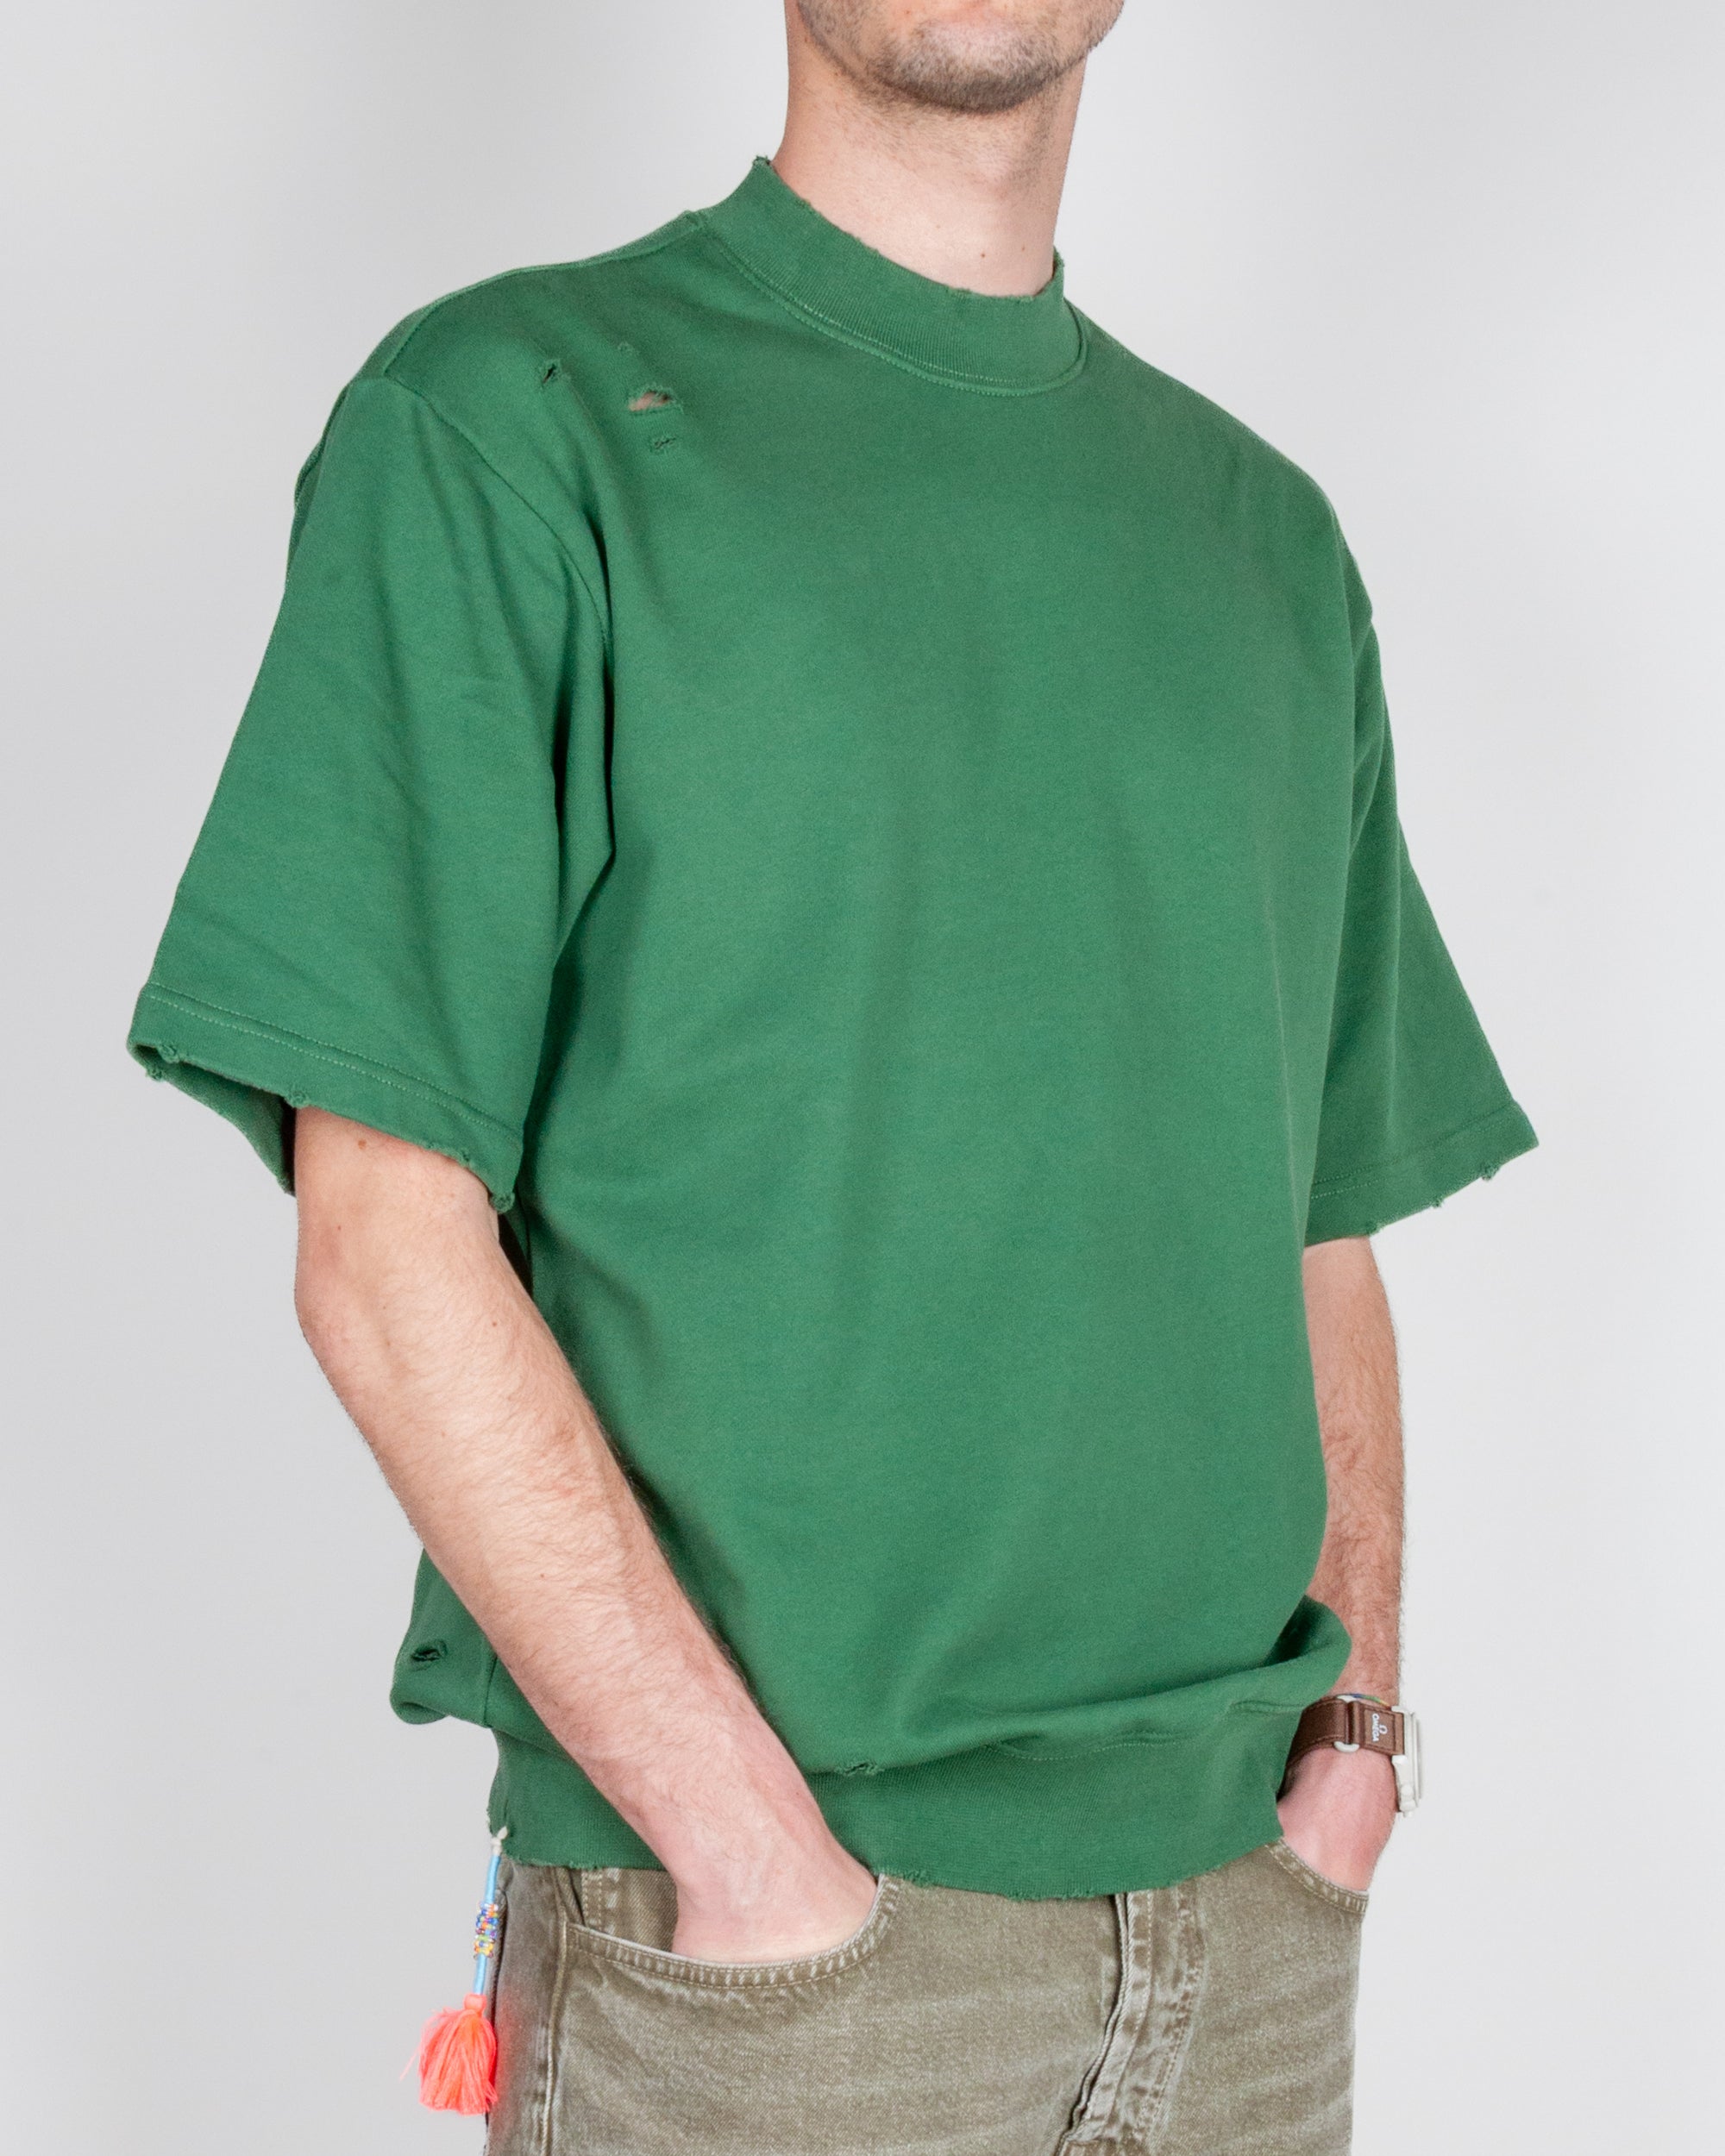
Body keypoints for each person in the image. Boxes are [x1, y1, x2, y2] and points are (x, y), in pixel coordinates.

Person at [128, 3, 1535, 2149]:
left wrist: (1350, 1754)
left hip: (1245, 1964)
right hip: (772, 1985)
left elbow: (1317, 1221)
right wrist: (754, 1863)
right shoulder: (508, 421)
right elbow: (384, 1244)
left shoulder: (1264, 541)